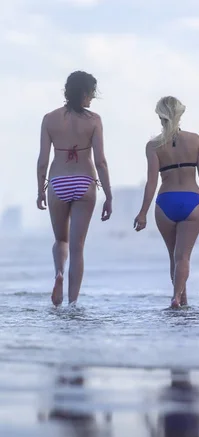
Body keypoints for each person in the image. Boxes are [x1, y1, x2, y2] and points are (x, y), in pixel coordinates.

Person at [134, 96, 199, 309]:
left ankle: (179, 299)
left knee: (174, 257)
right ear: (180, 114)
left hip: (166, 202)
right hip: (192, 200)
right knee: (183, 257)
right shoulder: (195, 139)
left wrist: (143, 212)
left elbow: (151, 182)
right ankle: (178, 298)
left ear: (159, 115)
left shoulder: (153, 145)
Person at [36, 70, 113, 307]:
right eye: (90, 94)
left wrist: (40, 190)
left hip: (58, 182)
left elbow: (42, 159)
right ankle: (73, 304)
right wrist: (109, 195)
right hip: (84, 182)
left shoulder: (50, 118)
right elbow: (100, 161)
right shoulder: (94, 120)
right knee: (78, 246)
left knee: (61, 240)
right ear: (83, 93)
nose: (91, 99)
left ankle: (59, 272)